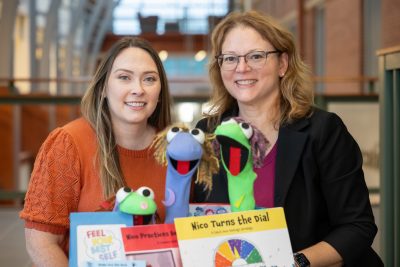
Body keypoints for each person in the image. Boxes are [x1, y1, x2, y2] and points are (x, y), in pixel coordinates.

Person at [193, 10, 382, 267]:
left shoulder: (323, 130)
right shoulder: (207, 132)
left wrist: (293, 263)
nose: (242, 67)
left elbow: (357, 226)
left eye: (256, 56)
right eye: (230, 58)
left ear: (283, 64)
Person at [20, 36, 172, 266]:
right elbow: (41, 242)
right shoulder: (69, 143)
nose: (138, 89)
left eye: (149, 79)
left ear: (159, 92)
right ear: (103, 88)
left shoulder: (176, 151)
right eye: (124, 77)